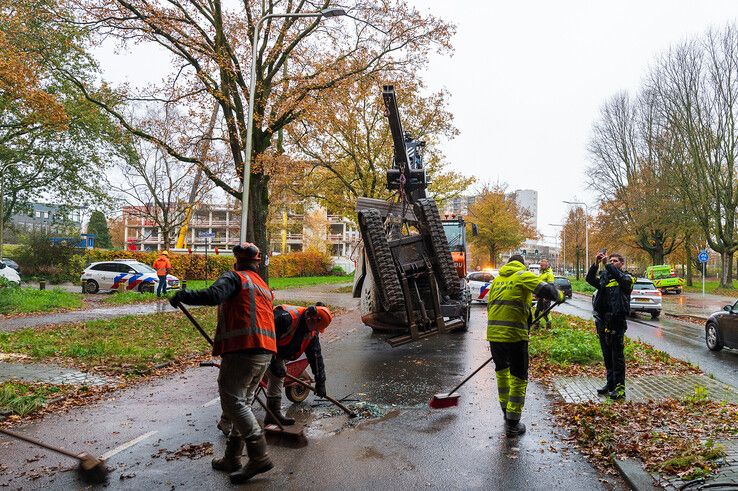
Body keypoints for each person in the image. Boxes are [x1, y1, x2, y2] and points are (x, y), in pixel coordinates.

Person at [170, 243, 276, 484]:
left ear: (236, 261)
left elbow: (214, 295)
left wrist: (183, 295)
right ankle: (232, 457)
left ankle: (259, 456)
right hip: (265, 353)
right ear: (257, 263)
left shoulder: (234, 277)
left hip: (244, 350)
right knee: (244, 403)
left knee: (233, 401)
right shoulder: (262, 286)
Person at [217, 302, 333, 431]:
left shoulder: (311, 332)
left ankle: (273, 415)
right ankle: (226, 422)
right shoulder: (284, 318)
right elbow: (263, 336)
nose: (316, 332)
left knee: (278, 375)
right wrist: (273, 360)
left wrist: (320, 382)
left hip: (277, 354)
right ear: (310, 318)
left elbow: (316, 357)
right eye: (316, 328)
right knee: (247, 385)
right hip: (257, 349)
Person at [487, 254, 564, 437]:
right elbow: (548, 291)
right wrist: (560, 295)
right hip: (514, 336)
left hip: (494, 335)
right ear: (522, 265)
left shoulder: (497, 280)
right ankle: (513, 424)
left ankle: (506, 414)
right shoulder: (523, 275)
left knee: (502, 374)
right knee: (518, 377)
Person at [586, 252, 634, 400]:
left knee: (617, 357)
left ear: (622, 264)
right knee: (607, 355)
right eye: (610, 261)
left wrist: (607, 265)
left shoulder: (627, 278)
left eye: (615, 261)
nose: (612, 263)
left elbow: (622, 280)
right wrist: (596, 263)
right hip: (603, 321)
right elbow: (589, 279)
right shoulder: (605, 280)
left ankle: (620, 389)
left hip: (617, 321)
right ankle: (610, 384)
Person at [534, 258, 555, 328]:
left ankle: (549, 325)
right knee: (537, 312)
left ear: (546, 265)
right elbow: (540, 285)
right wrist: (537, 294)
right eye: (540, 265)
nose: (541, 267)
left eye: (542, 265)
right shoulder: (542, 273)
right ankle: (536, 324)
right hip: (541, 296)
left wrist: (547, 297)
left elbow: (551, 286)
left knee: (546, 313)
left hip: (546, 297)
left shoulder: (549, 274)